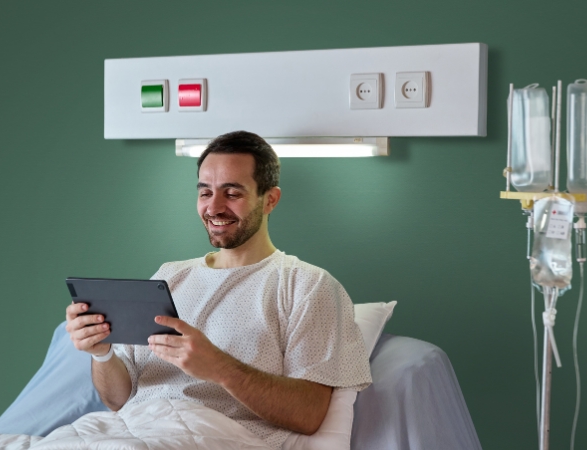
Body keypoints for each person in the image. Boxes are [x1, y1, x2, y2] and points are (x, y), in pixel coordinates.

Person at [64, 131, 371, 448]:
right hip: (128, 433)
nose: (214, 207)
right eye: (205, 192)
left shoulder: (306, 285)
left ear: (270, 199)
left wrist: (220, 368)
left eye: (232, 193)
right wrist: (101, 353)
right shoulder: (169, 276)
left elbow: (309, 415)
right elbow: (117, 400)